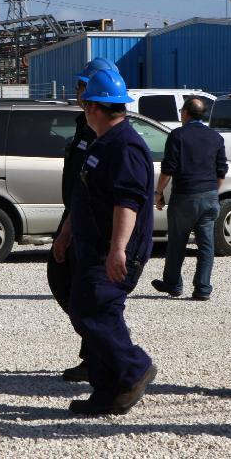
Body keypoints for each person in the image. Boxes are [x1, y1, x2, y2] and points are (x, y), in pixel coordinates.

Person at [65, 68, 157, 416]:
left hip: (114, 249)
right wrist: (67, 234)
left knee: (93, 310)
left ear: (94, 107)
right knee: (90, 309)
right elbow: (88, 194)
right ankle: (108, 390)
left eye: (85, 102)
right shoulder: (104, 142)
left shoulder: (125, 145)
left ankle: (134, 369)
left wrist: (118, 249)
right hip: (95, 246)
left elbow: (127, 202)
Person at [50, 58, 115, 383]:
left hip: (88, 221)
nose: (76, 92)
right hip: (74, 215)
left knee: (88, 294)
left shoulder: (107, 134)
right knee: (65, 282)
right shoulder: (83, 125)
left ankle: (106, 356)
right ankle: (95, 351)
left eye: (81, 87)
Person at [151, 97, 228, 301]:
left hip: (185, 196)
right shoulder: (215, 138)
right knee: (206, 245)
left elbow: (168, 168)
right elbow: (222, 171)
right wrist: (212, 192)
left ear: (185, 113)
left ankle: (173, 283)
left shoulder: (178, 135)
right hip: (210, 195)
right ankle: (202, 288)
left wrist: (158, 193)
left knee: (177, 241)